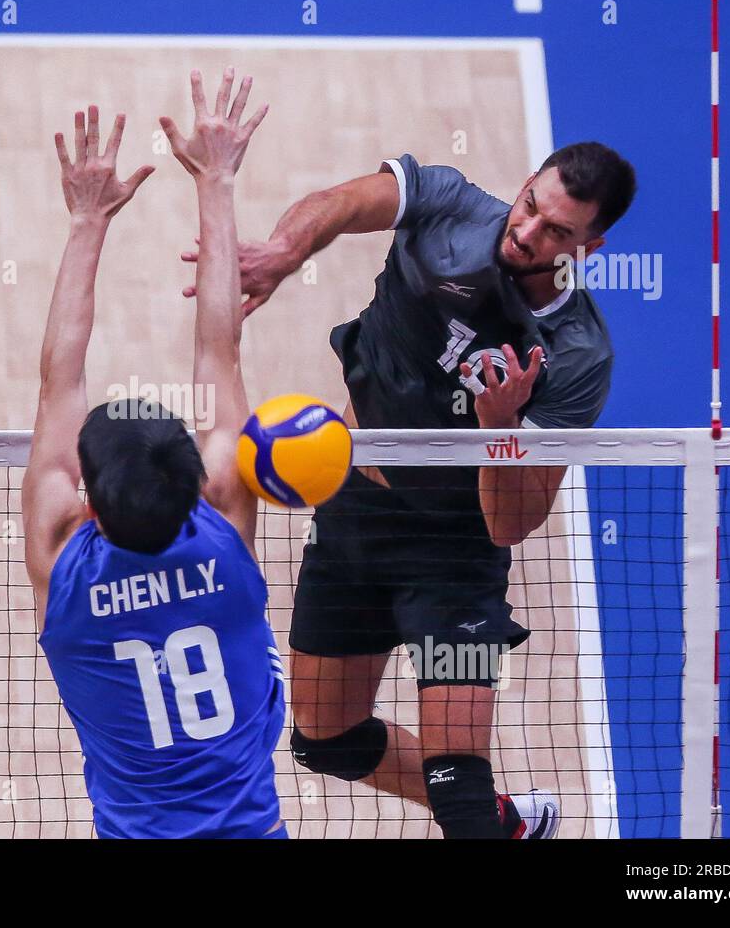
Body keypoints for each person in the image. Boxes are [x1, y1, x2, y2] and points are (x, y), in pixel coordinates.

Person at [180, 142, 636, 838]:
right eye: (531, 207)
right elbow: (339, 204)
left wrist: (499, 431)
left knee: (458, 774)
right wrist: (285, 250)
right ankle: (509, 824)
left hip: (458, 551)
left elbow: (511, 524)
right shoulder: (448, 205)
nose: (528, 232)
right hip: (354, 512)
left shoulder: (573, 353)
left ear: (590, 246)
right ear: (524, 187)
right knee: (324, 738)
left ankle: (480, 812)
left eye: (557, 232)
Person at [22, 70, 285, 838]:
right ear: (197, 480)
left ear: (88, 504)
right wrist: (217, 179)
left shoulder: (59, 561)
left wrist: (86, 222)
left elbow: (56, 381)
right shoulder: (228, 519)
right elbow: (220, 348)